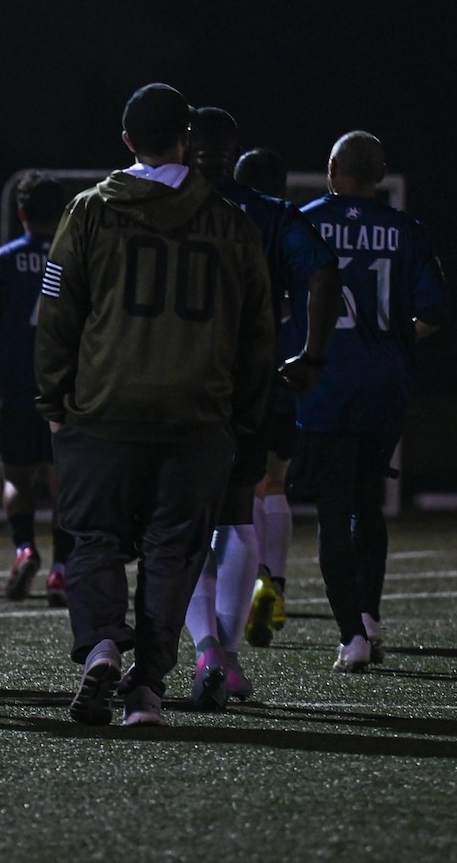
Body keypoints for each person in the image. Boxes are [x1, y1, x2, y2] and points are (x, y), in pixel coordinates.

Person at [35, 83, 272, 727]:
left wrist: (54, 397)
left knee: (95, 539)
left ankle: (103, 644)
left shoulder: (88, 211)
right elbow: (258, 333)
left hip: (105, 407)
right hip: (197, 413)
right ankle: (147, 690)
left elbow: (57, 314)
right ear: (187, 141)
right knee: (173, 550)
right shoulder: (232, 222)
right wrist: (244, 414)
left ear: (127, 140)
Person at [180, 109, 340, 707]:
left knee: (179, 519)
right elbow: (324, 273)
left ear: (187, 144)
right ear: (235, 149)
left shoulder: (163, 202)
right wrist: (313, 356)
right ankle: (231, 655)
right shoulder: (271, 214)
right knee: (240, 511)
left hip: (177, 377)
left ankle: (204, 651)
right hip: (251, 380)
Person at [295, 131, 448, 674]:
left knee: (333, 509)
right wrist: (391, 338)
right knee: (368, 502)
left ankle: (351, 635)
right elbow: (434, 310)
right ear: (380, 175)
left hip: (326, 381)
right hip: (385, 384)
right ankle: (370, 617)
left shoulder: (304, 222)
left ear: (333, 169)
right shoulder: (407, 230)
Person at [232, 145, 309, 640]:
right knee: (275, 481)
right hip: (282, 363)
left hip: (230, 367)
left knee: (232, 491)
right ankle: (273, 586)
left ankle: (235, 599)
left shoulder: (220, 218)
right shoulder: (290, 223)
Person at [0, 174, 73, 604]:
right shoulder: (73, 258)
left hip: (18, 384)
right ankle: (61, 569)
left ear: (21, 212)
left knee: (16, 479)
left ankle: (24, 548)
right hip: (64, 388)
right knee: (64, 482)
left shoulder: (4, 260)